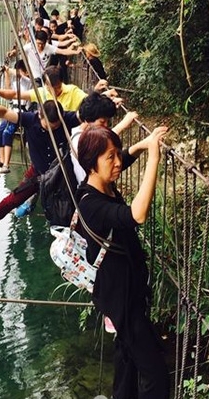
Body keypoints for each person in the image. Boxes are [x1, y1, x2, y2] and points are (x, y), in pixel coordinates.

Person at [76, 125, 170, 399]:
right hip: (121, 301)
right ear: (91, 164)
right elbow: (137, 215)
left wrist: (140, 146)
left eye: (117, 154)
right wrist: (153, 158)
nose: (118, 163)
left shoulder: (101, 182)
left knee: (127, 359)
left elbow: (121, 161)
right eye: (110, 157)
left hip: (126, 293)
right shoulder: (90, 203)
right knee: (155, 376)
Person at [0, 99, 81, 235]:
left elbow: (89, 112)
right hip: (38, 174)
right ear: (40, 115)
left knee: (75, 202)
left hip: (61, 174)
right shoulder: (29, 119)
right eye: (48, 126)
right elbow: (4, 112)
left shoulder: (67, 119)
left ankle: (76, 235)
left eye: (56, 127)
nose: (52, 129)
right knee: (14, 198)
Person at [0, 60, 33, 174]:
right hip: (12, 110)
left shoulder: (29, 82)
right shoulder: (16, 82)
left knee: (7, 133)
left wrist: (8, 69)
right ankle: (1, 160)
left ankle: (6, 164)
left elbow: (19, 74)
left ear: (26, 72)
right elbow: (8, 89)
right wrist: (6, 73)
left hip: (21, 112)